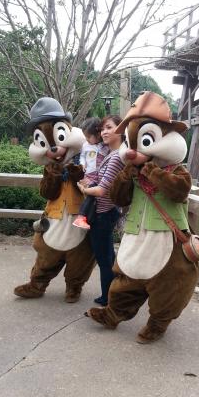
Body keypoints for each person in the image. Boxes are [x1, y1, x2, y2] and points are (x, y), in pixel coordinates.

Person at [77, 115, 125, 306]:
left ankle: (108, 298)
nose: (104, 132)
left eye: (109, 128)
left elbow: (102, 190)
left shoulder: (116, 158)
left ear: (120, 130)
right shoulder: (112, 154)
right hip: (106, 211)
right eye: (102, 129)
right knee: (108, 255)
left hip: (103, 214)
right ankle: (114, 293)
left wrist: (83, 189)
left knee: (104, 258)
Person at [73, 117, 108, 230]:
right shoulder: (86, 145)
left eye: (89, 136)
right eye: (85, 137)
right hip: (89, 175)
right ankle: (81, 217)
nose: (87, 139)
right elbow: (82, 156)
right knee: (91, 196)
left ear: (98, 134)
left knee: (94, 199)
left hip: (100, 176)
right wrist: (82, 164)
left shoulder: (105, 146)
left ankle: (86, 219)